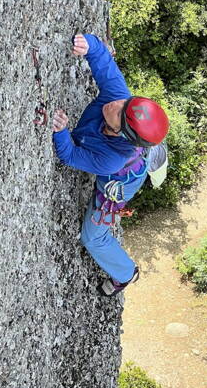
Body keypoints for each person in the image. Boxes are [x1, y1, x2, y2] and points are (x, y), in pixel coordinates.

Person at [52, 33, 169, 296]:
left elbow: (69, 156)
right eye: (123, 104)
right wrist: (89, 45)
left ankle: (125, 273)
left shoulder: (110, 160)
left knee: (93, 237)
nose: (115, 104)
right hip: (130, 154)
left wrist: (60, 132)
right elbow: (103, 62)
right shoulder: (121, 98)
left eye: (119, 113)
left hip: (123, 179)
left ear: (122, 134)